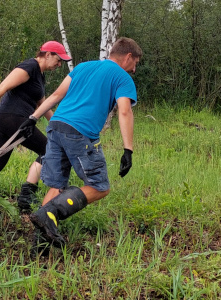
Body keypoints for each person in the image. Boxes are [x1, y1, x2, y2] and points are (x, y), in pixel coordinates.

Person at [19, 37, 142, 246]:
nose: (134, 70)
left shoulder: (83, 67)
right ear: (128, 56)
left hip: (56, 126)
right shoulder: (122, 78)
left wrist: (33, 118)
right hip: (79, 133)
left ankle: (40, 243)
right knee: (99, 186)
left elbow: (57, 94)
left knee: (57, 185)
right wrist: (128, 149)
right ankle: (50, 213)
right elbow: (124, 110)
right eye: (135, 64)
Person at [0, 41, 71, 211]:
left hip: (7, 119)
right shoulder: (29, 66)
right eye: (58, 59)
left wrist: (57, 123)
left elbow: (42, 104)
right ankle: (26, 196)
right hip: (12, 119)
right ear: (47, 54)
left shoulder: (40, 75)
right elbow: (3, 87)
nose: (59, 64)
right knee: (48, 150)